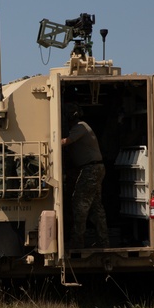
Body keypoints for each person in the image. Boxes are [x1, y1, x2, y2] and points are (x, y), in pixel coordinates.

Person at [61, 103, 109, 249]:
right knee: (96, 207)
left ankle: (77, 242)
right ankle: (103, 241)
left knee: (79, 204)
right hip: (94, 168)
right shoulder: (81, 127)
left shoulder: (80, 127)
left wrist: (52, 140)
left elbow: (65, 142)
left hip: (91, 169)